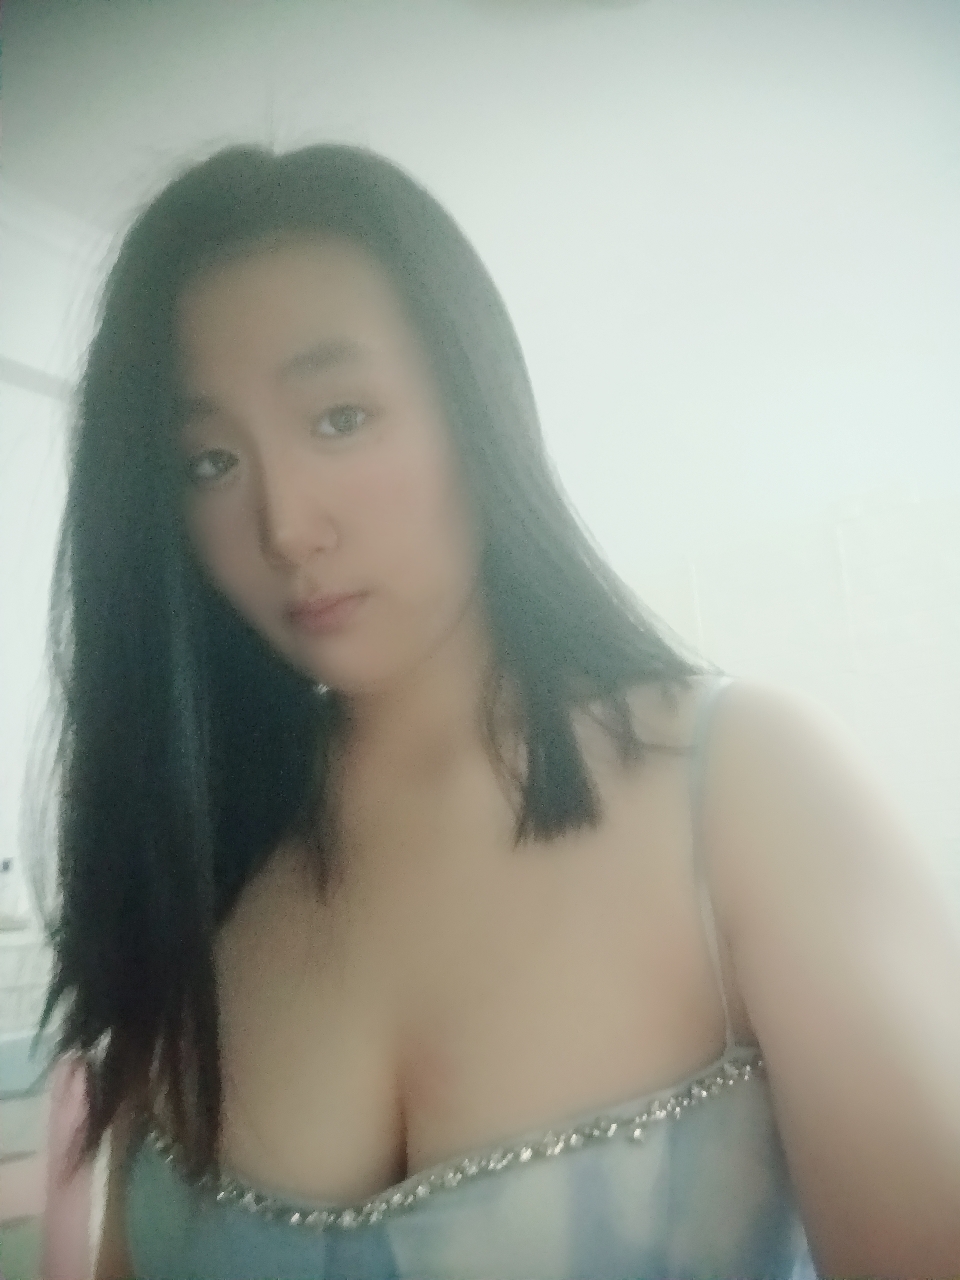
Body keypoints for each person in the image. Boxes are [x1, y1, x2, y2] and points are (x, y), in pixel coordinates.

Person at [38, 144, 960, 1280]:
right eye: (209, 462)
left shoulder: (744, 784)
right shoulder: (198, 864)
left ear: (476, 409)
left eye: (340, 417)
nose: (287, 525)